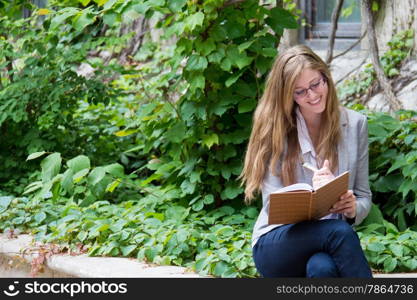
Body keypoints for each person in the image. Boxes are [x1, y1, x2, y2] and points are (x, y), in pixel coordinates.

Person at [240, 45, 373, 278]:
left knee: (322, 269)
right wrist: (315, 196)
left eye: (315, 84)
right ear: (288, 96)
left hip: (325, 244)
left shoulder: (356, 124)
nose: (312, 95)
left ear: (326, 77)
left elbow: (364, 196)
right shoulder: (276, 129)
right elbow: (273, 206)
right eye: (300, 92)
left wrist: (351, 208)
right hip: (277, 243)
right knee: (339, 232)